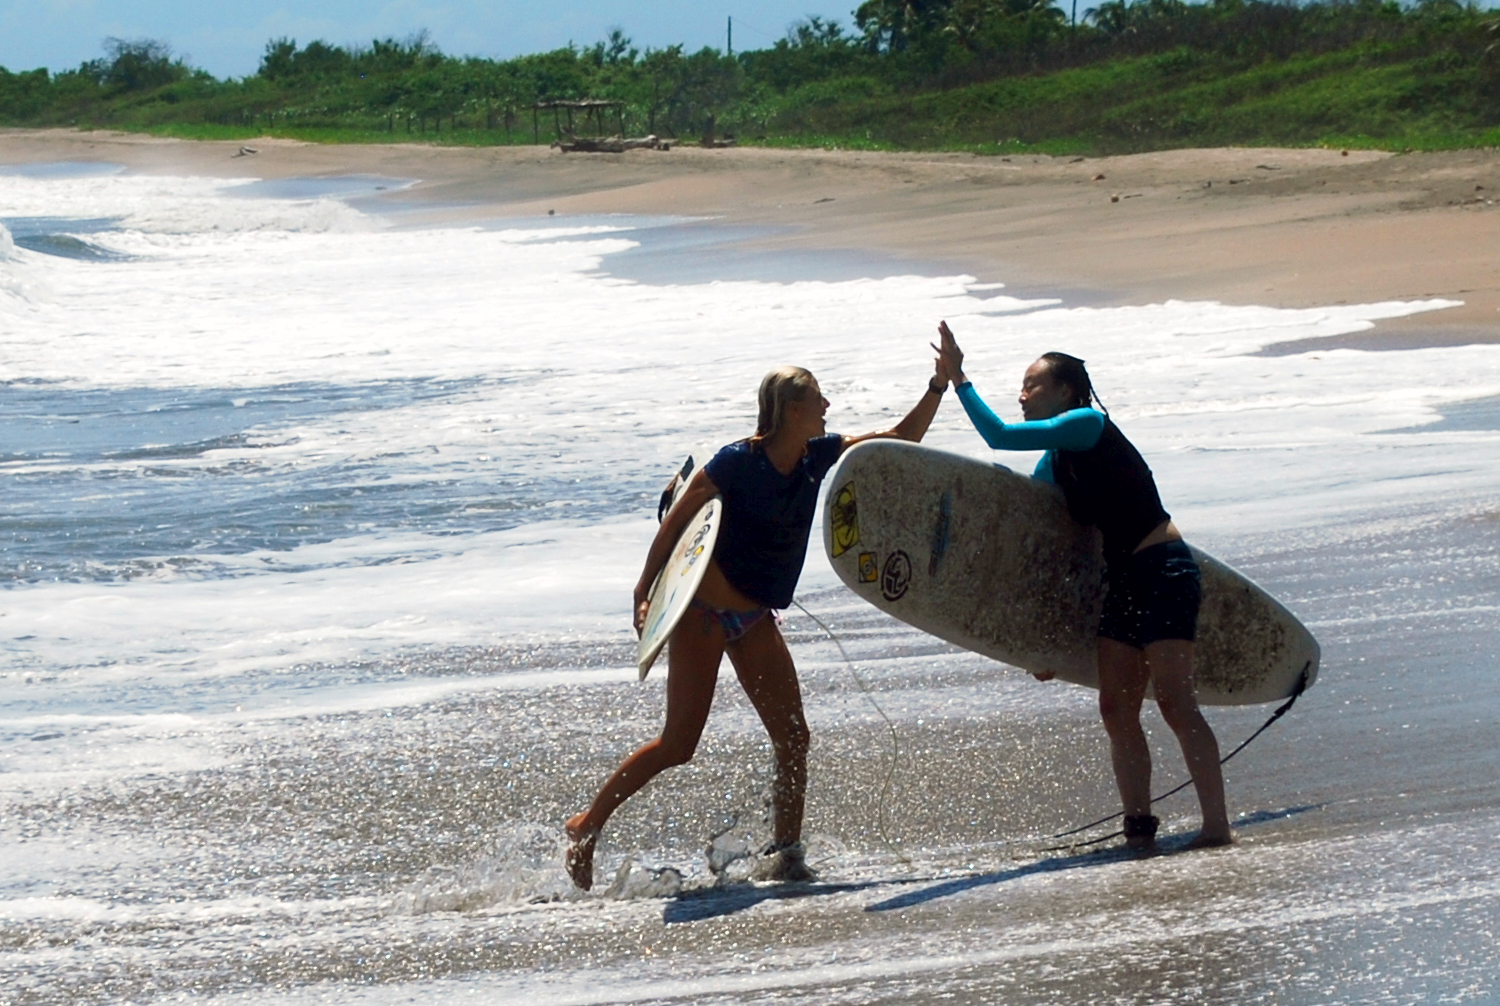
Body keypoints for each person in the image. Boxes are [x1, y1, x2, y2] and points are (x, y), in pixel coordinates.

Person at [564, 360, 949, 890]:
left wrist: (938, 384)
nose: (827, 406)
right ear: (791, 410)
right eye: (818, 399)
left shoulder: (817, 456)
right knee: (679, 744)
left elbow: (900, 438)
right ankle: (587, 825)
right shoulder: (736, 462)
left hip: (753, 617)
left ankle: (786, 855)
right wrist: (643, 590)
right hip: (703, 614)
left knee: (793, 737)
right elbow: (678, 521)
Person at [935, 321, 1233, 851]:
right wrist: (1040, 642)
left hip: (1163, 569)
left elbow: (1000, 435)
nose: (1022, 395)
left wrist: (959, 379)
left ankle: (1216, 828)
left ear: (1066, 392)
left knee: (1174, 702)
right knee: (1116, 710)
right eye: (1022, 387)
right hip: (1121, 581)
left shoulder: (1088, 423)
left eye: (1032, 386)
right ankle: (1138, 828)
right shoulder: (1056, 462)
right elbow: (1049, 551)